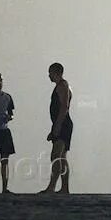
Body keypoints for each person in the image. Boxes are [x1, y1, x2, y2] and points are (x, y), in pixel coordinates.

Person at [39, 62, 73, 194]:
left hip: (63, 124)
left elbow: (64, 106)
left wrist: (58, 126)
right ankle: (64, 188)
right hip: (60, 123)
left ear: (56, 72)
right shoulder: (61, 86)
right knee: (61, 157)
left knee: (56, 156)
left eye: (50, 73)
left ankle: (52, 187)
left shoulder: (63, 86)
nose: (49, 76)